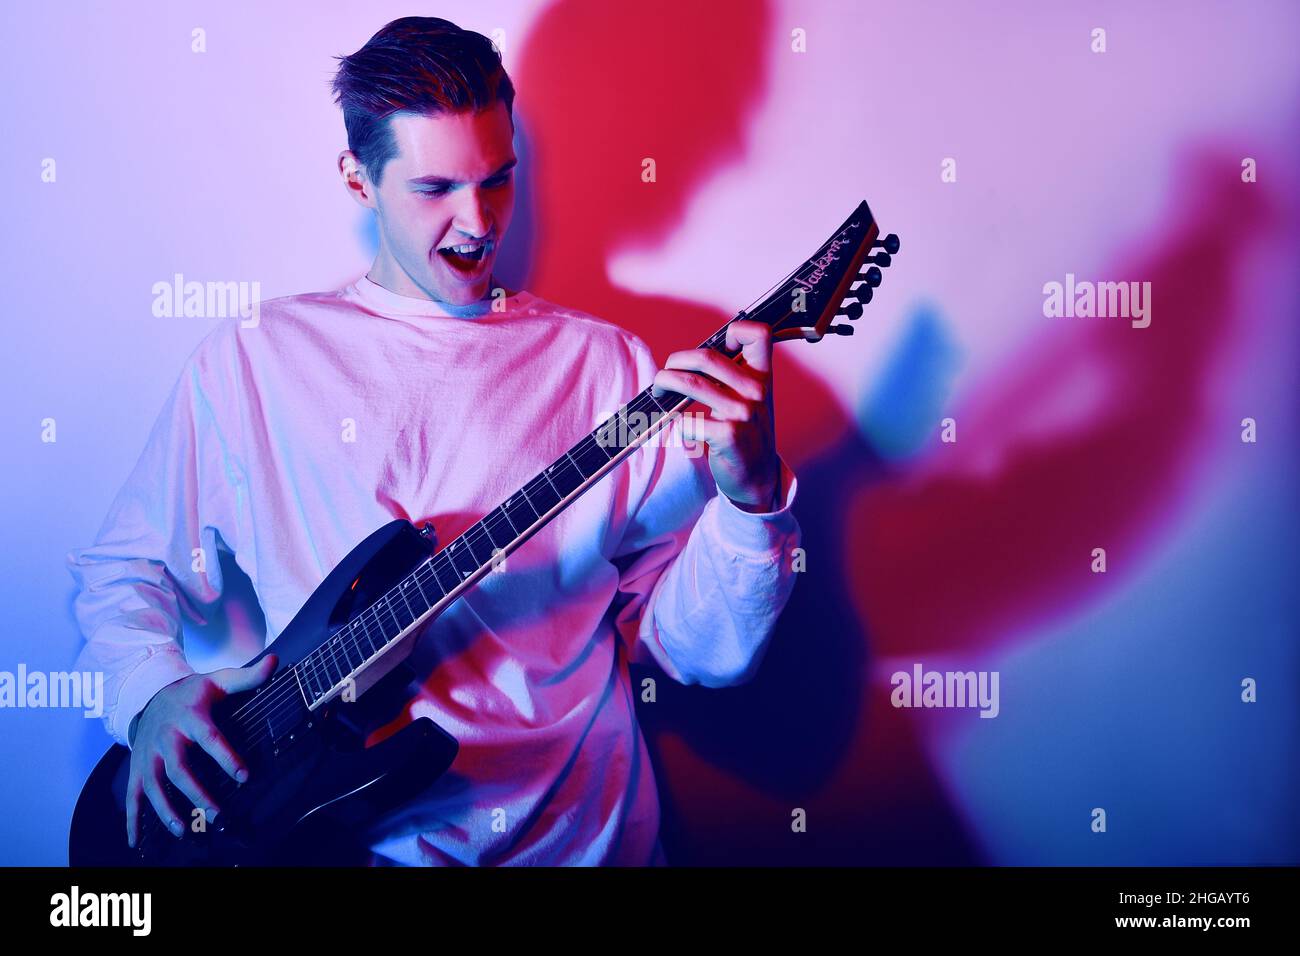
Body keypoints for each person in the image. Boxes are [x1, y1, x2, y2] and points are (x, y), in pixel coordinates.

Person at [67, 16, 800, 866]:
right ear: (357, 179)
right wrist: (149, 694)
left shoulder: (608, 369)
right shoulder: (254, 360)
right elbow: (124, 568)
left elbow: (696, 653)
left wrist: (751, 503)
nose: (477, 223)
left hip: (582, 848)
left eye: (498, 181)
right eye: (435, 189)